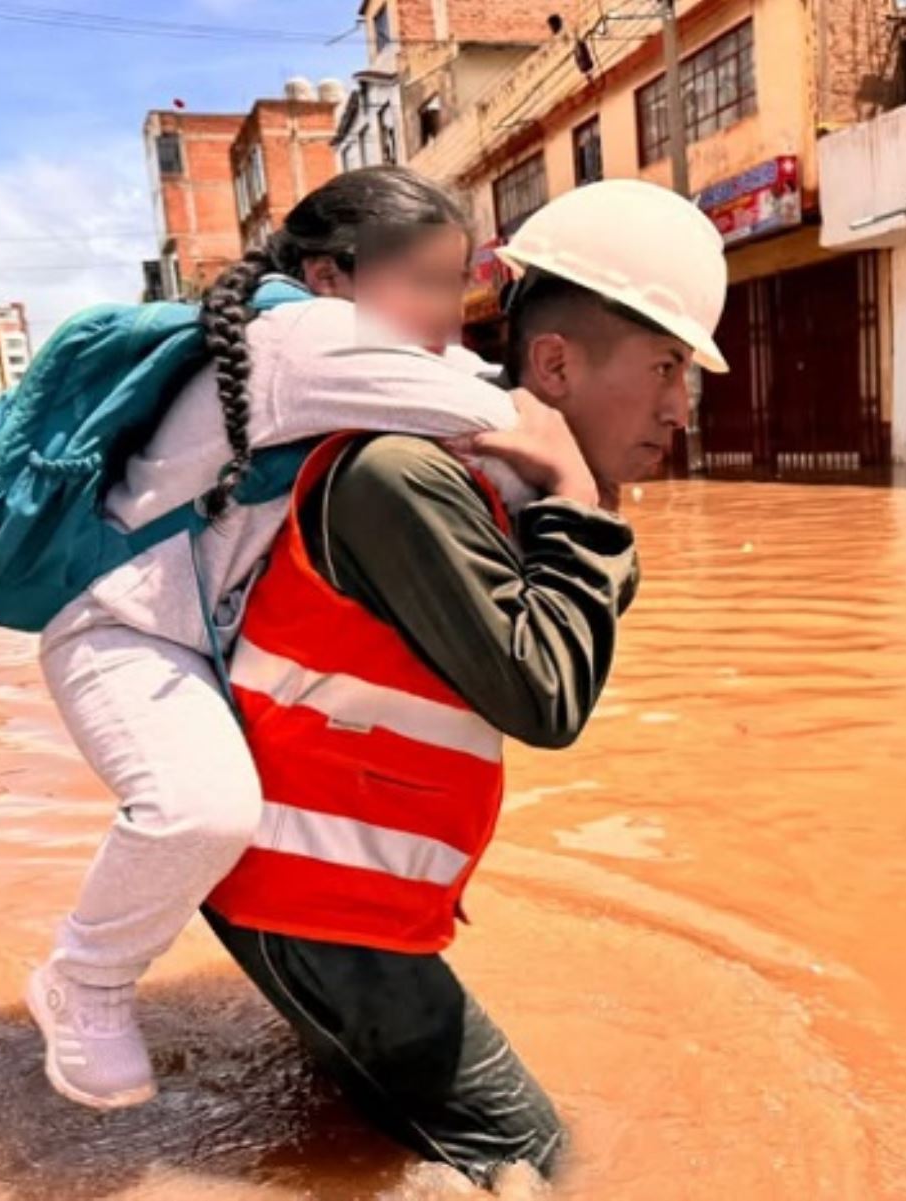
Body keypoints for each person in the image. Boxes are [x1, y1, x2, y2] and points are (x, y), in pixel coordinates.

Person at [200, 179, 729, 1187]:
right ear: (555, 362)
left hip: (331, 896)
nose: (680, 407)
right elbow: (545, 698)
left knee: (344, 1126)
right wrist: (580, 497)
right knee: (528, 1157)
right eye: (665, 367)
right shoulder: (404, 476)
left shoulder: (483, 479)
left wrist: (575, 499)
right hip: (308, 901)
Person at [27, 168, 522, 1110]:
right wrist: (571, 443)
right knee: (202, 811)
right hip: (124, 632)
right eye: (423, 282)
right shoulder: (302, 334)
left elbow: (459, 382)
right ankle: (82, 981)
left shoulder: (325, 339)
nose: (447, 317)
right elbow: (493, 411)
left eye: (457, 287)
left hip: (202, 642)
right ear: (333, 273)